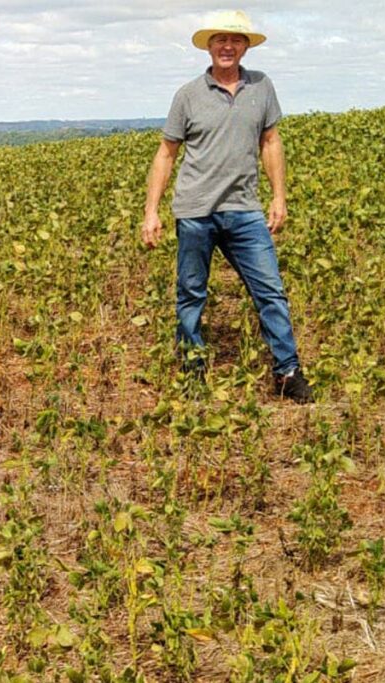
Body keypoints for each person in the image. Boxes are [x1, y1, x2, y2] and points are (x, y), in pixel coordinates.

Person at [141, 10, 313, 404]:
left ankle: (287, 373)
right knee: (191, 294)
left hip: (244, 209)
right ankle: (193, 370)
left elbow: (270, 142)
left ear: (246, 47)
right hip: (195, 211)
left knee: (270, 291)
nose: (227, 46)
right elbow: (166, 154)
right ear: (209, 46)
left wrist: (279, 196)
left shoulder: (262, 87)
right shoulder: (188, 95)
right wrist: (152, 211)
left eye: (235, 40)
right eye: (220, 39)